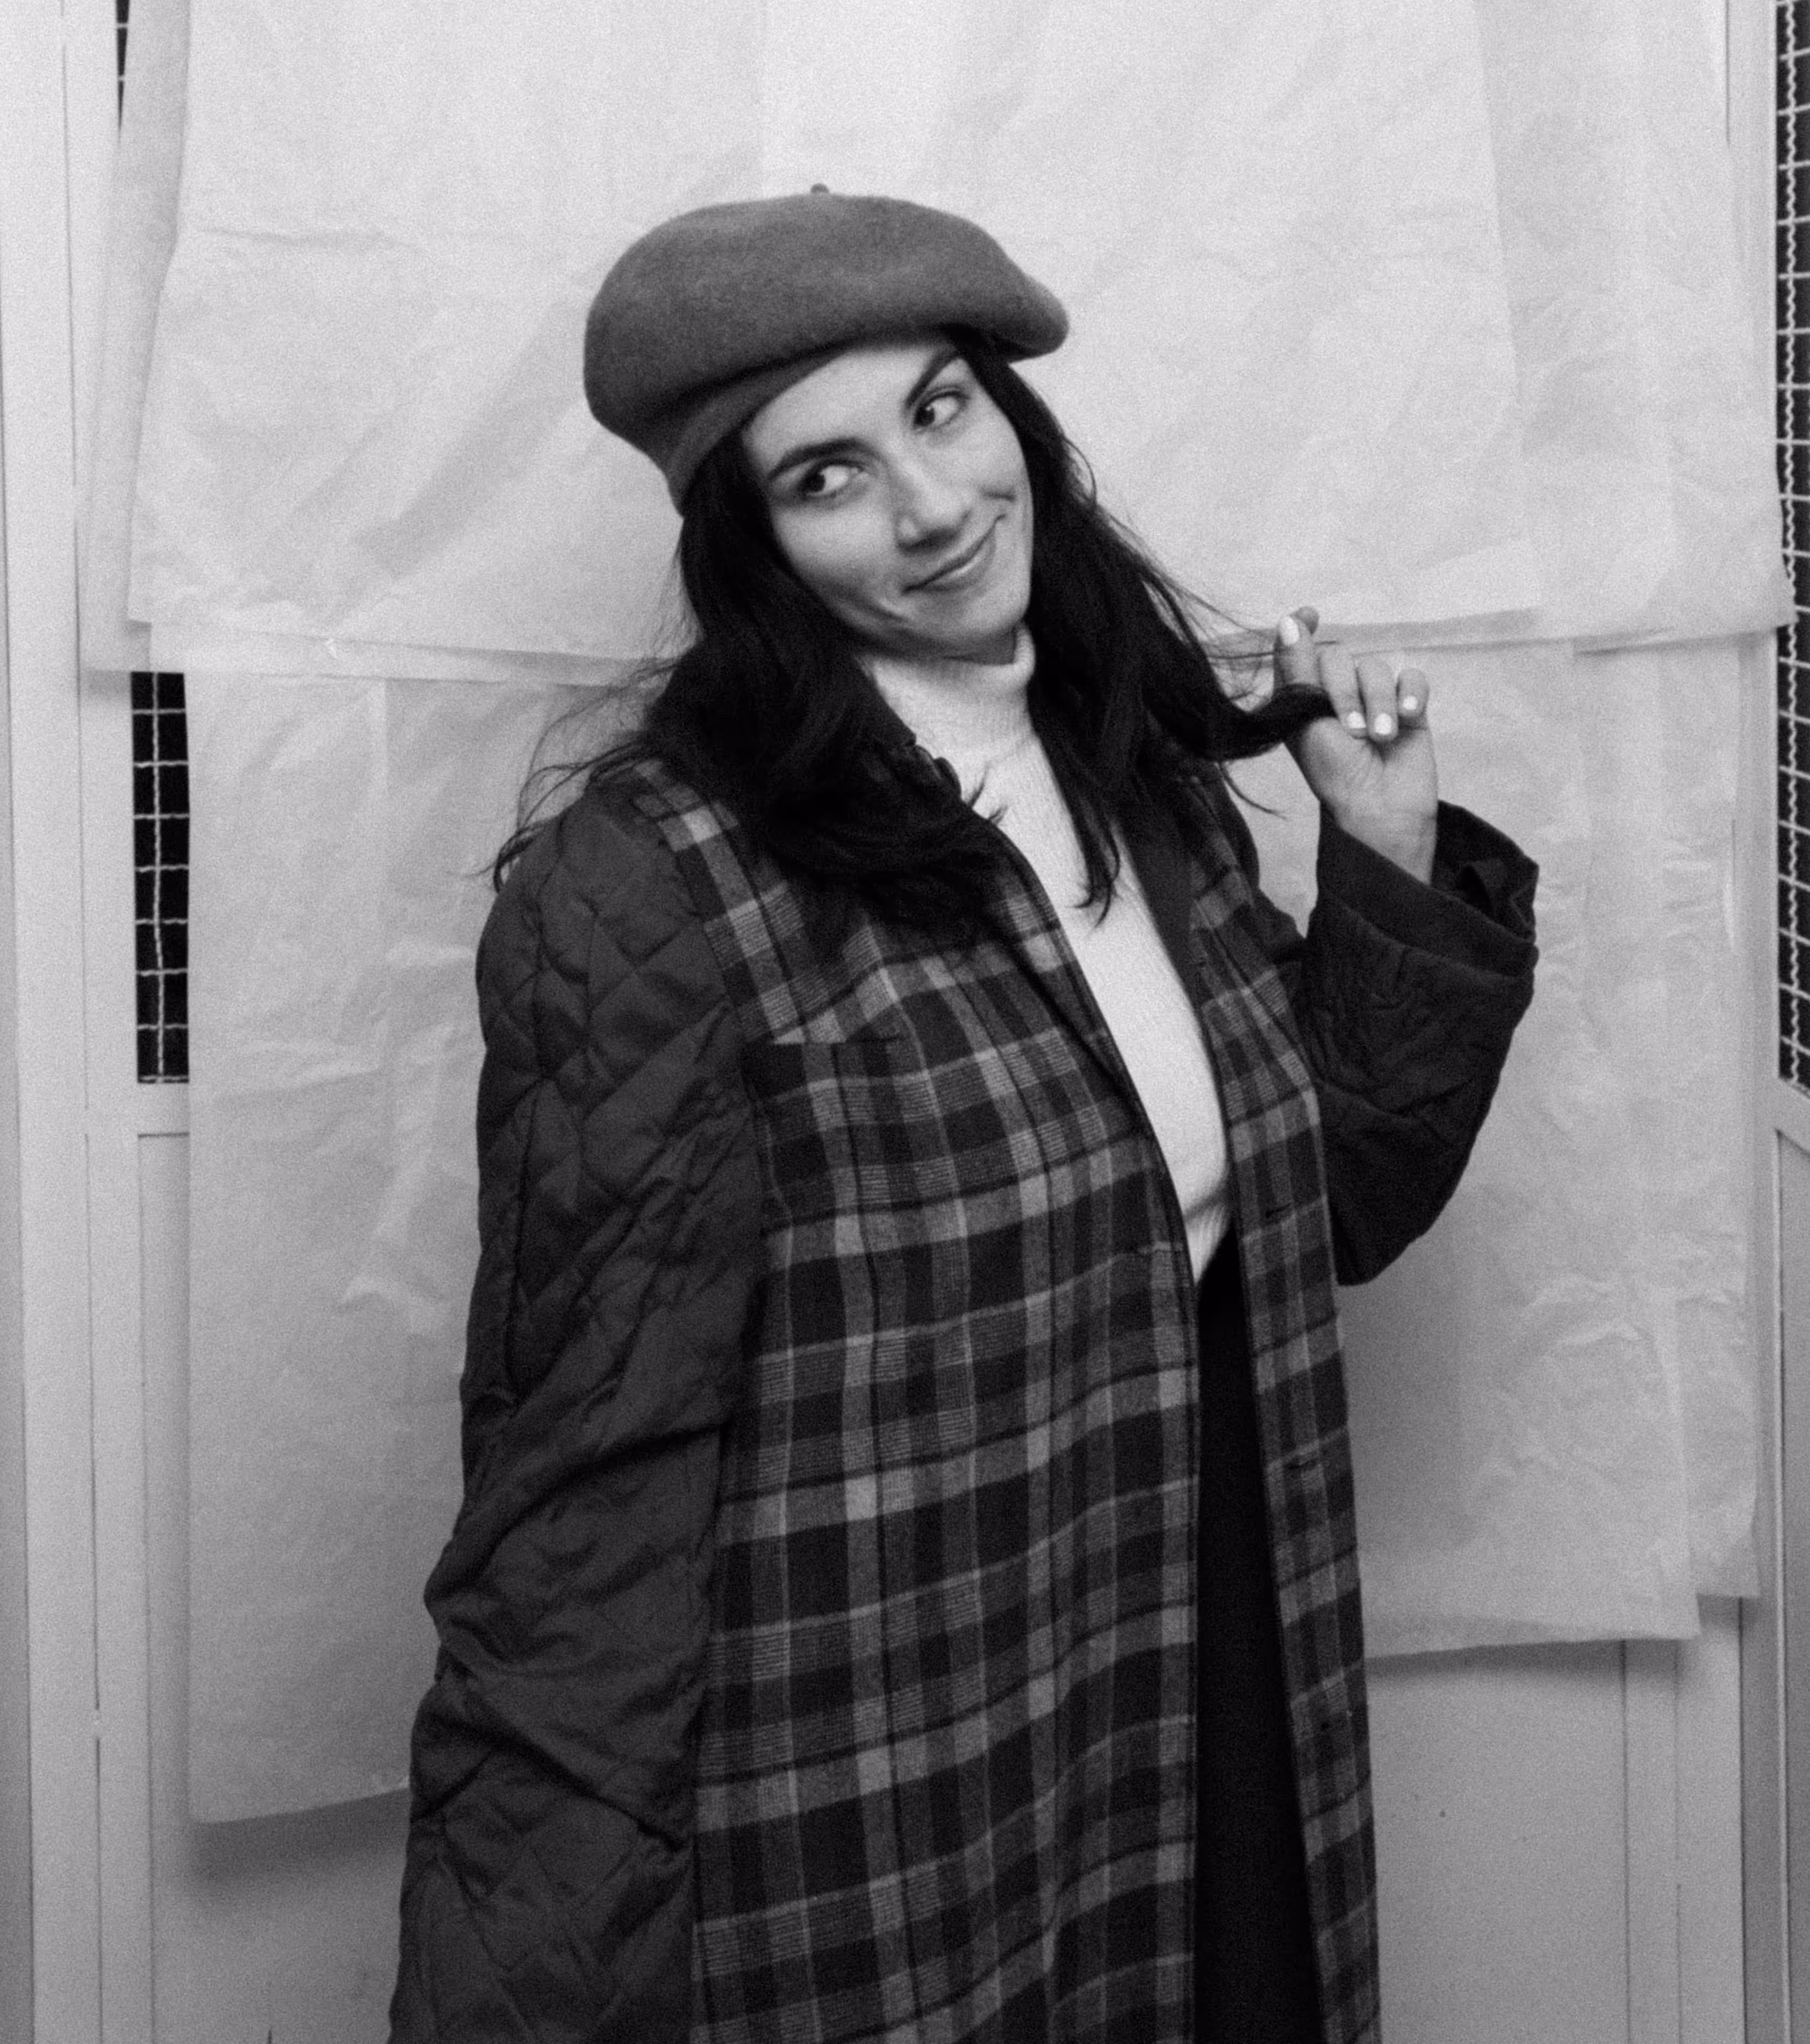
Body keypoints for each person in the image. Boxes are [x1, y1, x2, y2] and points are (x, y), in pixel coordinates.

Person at [389, 190, 1537, 2044]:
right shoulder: (649, 892)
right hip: (880, 1814)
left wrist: (1385, 846)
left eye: (938, 411)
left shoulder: (1133, 773)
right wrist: (529, 1980)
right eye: (826, 476)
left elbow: (1319, 1212)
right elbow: (583, 1512)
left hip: (1190, 1687)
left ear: (1012, 417)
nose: (929, 506)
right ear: (750, 544)